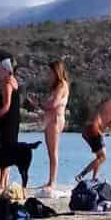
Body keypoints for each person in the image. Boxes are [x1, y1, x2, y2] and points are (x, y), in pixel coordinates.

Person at [78, 96, 111, 180]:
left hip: (86, 129)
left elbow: (110, 124)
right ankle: (81, 175)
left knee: (99, 157)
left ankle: (94, 178)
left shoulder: (110, 103)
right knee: (102, 157)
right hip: (95, 129)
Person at [0, 56, 21, 192]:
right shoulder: (14, 81)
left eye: (1, 68)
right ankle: (3, 180)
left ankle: (1, 181)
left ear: (7, 70)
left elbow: (6, 105)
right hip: (13, 120)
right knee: (8, 148)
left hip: (7, 121)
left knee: (4, 148)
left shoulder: (8, 83)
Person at [39, 59, 69, 189]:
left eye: (50, 72)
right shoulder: (56, 86)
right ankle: (50, 180)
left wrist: (41, 104)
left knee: (53, 151)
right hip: (51, 120)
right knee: (50, 151)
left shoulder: (62, 85)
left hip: (55, 120)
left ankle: (52, 181)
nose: (48, 75)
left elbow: (53, 104)